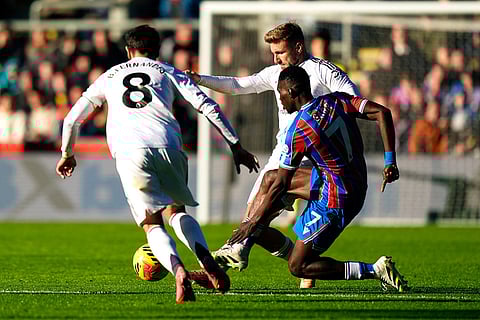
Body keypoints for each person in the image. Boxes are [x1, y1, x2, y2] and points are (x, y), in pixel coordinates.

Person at [55, 25, 259, 304]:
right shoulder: (169, 71)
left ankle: (178, 271)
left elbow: (72, 119)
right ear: (158, 49)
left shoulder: (110, 76)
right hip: (169, 145)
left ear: (129, 51)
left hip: (130, 152)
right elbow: (208, 105)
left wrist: (67, 153)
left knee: (152, 223)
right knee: (177, 211)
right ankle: (207, 261)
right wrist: (235, 145)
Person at [187, 22, 360, 288]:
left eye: (279, 52)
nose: (274, 58)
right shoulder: (275, 73)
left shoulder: (323, 71)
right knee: (253, 220)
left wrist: (326, 123)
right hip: (283, 155)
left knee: (254, 219)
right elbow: (237, 85)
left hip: (314, 160)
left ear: (298, 47)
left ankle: (227, 264)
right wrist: (200, 79)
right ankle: (299, 268)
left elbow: (353, 98)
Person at [228, 65, 408, 292]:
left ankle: (375, 269)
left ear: (292, 93)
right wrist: (390, 161)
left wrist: (251, 223)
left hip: (337, 197)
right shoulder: (337, 101)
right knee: (269, 178)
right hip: (353, 179)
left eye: (280, 93)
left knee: (298, 265)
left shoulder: (299, 130)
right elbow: (383, 112)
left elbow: (283, 183)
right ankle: (246, 242)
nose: (280, 99)